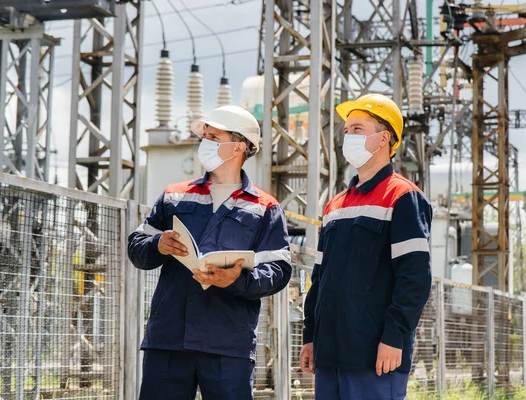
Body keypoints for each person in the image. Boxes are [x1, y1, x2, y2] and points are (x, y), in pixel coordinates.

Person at [128, 105, 292, 400]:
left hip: (227, 345)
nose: (205, 142)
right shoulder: (175, 195)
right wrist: (158, 245)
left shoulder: (265, 207)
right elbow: (137, 246)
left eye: (213, 136)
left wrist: (237, 280)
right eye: (204, 136)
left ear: (238, 147)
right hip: (169, 340)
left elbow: (278, 270)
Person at [299, 94, 433, 400]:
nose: (348, 137)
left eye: (357, 129)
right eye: (346, 131)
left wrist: (394, 337)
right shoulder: (335, 205)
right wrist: (311, 336)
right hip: (330, 354)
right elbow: (319, 279)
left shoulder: (402, 196)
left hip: (375, 356)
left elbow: (414, 278)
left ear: (384, 137)